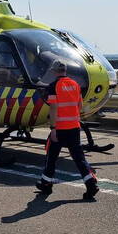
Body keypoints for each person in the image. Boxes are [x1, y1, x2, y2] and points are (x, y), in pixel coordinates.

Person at [35, 60, 98, 201]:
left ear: (54, 71)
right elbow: (80, 105)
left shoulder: (53, 86)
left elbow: (53, 108)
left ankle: (46, 184)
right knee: (79, 158)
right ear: (65, 70)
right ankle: (91, 183)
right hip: (74, 127)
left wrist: (53, 128)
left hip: (60, 128)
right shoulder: (75, 85)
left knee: (51, 156)